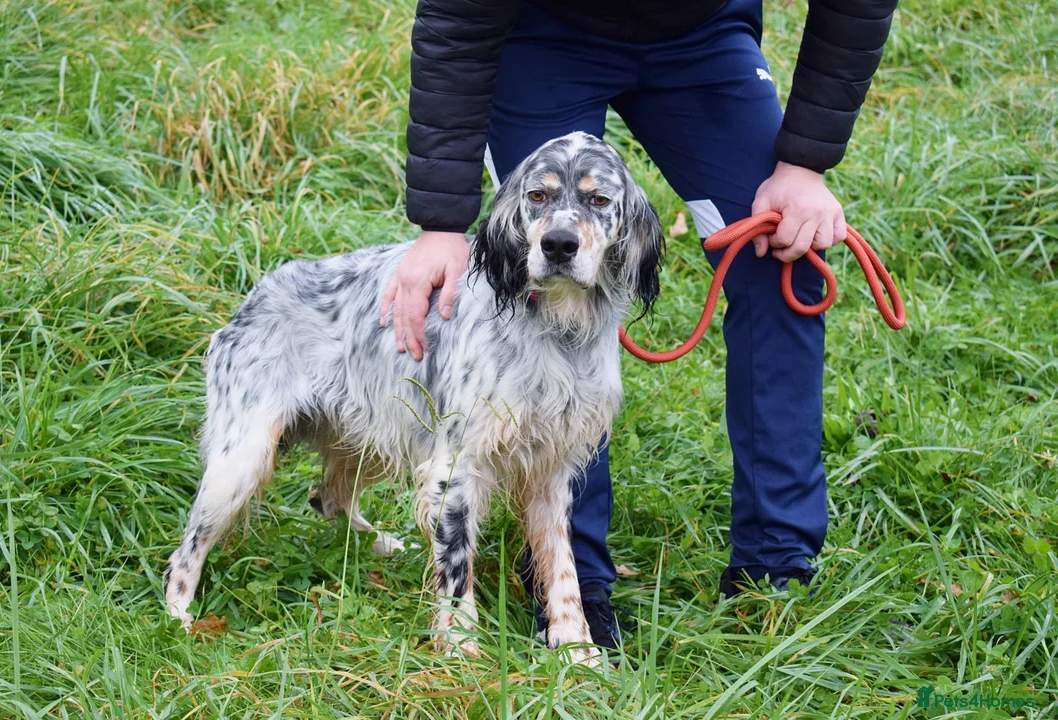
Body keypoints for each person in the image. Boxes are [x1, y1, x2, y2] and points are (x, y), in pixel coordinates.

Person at [380, 0, 899, 650]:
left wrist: (803, 165)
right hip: (544, 34)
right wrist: (441, 225)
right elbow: (457, 19)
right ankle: (572, 585)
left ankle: (776, 570)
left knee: (781, 259)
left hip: (702, 38)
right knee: (543, 278)